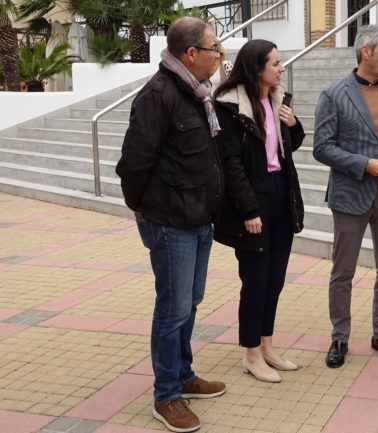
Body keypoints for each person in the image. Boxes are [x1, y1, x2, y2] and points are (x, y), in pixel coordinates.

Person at [115, 16, 227, 433]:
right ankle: (166, 395)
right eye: (214, 48)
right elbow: (133, 164)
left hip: (199, 218)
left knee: (190, 302)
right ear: (191, 53)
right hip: (170, 222)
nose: (220, 55)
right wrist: (143, 210)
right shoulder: (158, 95)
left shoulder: (197, 92)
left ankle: (183, 374)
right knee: (172, 308)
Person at [313, 24, 378, 368]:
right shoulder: (333, 94)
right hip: (350, 195)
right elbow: (322, 147)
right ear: (366, 51)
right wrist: (364, 164)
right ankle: (339, 338)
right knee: (343, 271)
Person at [212, 40, 305, 384]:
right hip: (252, 199)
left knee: (275, 280)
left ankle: (267, 346)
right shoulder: (229, 105)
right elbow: (231, 164)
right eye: (275, 63)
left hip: (281, 193)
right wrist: (249, 210)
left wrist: (293, 125)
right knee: (255, 280)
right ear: (255, 68)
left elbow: (289, 147)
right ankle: (251, 353)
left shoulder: (277, 99)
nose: (282, 68)